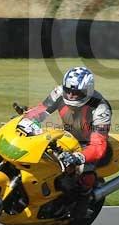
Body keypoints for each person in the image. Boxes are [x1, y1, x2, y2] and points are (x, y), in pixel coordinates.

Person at [24, 66, 111, 216]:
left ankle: (82, 204)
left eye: (76, 92)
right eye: (68, 90)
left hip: (89, 144)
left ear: (88, 91)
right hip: (67, 137)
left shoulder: (100, 107)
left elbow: (99, 144)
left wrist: (80, 157)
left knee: (84, 170)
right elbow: (41, 111)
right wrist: (24, 120)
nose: (70, 95)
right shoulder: (59, 92)